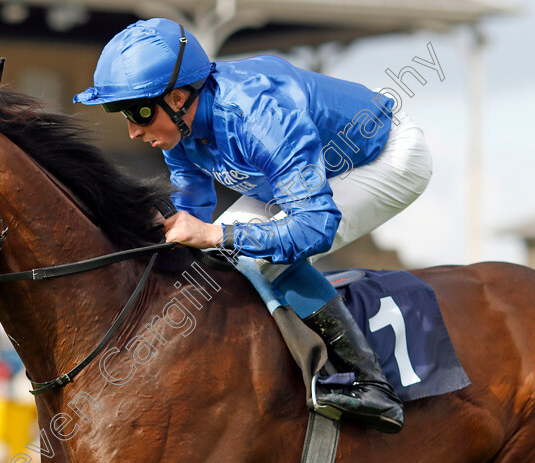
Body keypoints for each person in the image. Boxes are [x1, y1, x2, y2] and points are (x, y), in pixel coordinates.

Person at [75, 18, 433, 433]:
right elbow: (193, 203)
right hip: (305, 175)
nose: (134, 131)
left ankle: (371, 384)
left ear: (177, 97)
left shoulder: (258, 116)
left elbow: (313, 228)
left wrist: (215, 234)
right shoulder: (181, 123)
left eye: (139, 112)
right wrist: (166, 231)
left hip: (383, 158)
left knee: (256, 258)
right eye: (123, 113)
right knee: (219, 255)